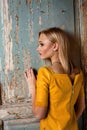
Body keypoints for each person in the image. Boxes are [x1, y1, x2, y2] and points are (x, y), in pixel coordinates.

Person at [25, 27, 85, 130]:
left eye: (41, 44)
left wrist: (32, 87)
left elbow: (39, 114)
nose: (37, 48)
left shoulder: (46, 73)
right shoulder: (79, 73)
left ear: (55, 46)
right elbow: (81, 107)